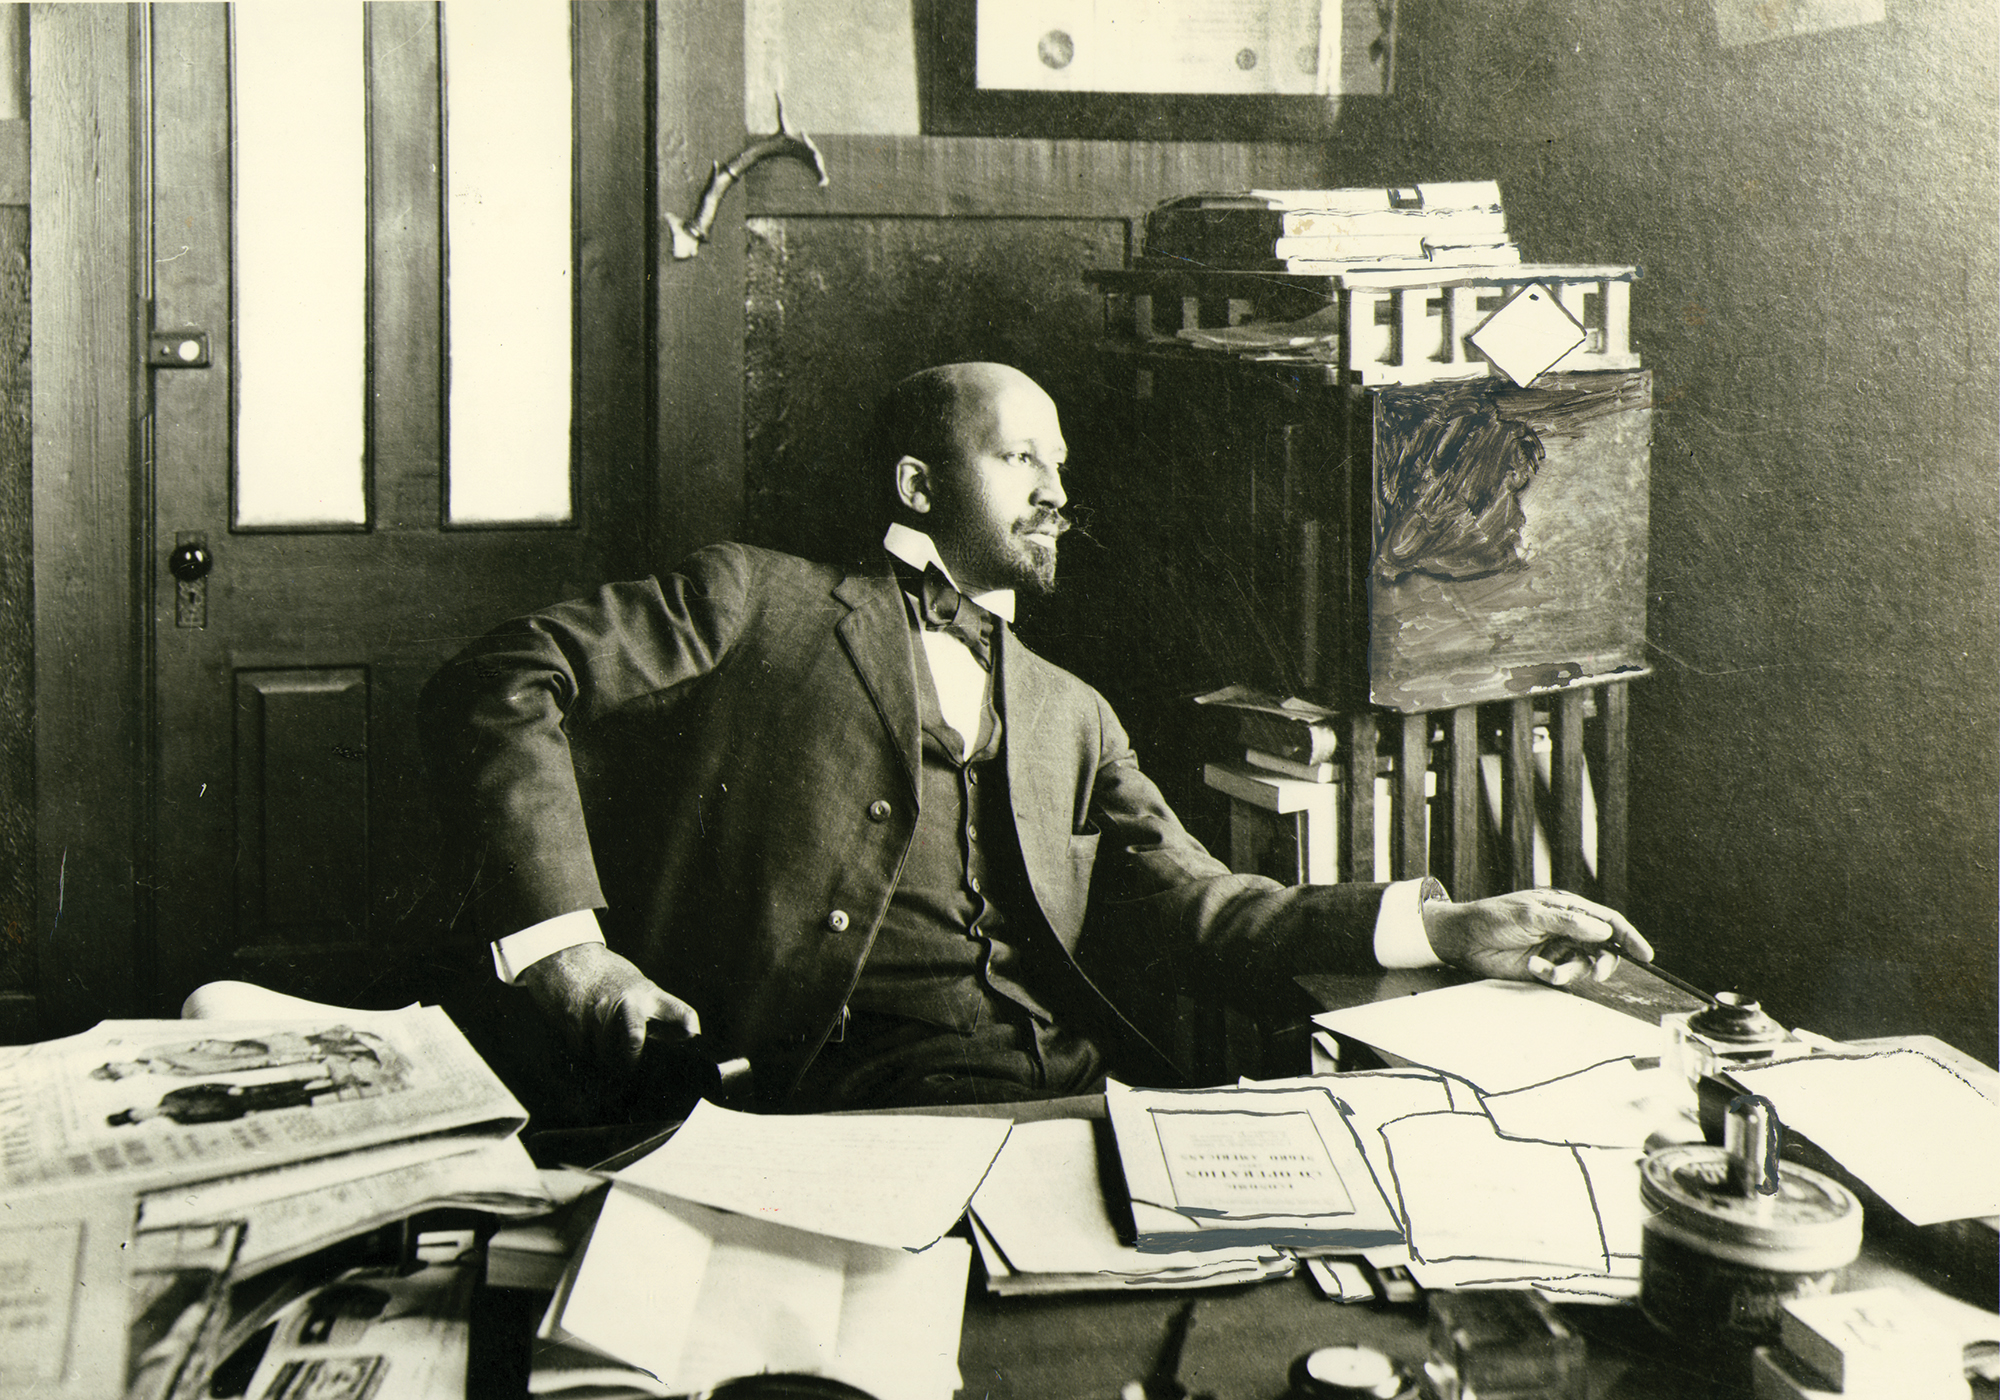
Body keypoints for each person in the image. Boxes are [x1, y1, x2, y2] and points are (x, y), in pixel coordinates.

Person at [420, 362, 1651, 1115]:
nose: (1057, 490)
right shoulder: (756, 598)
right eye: (1019, 459)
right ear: (916, 486)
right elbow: (503, 675)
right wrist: (564, 954)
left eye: (1059, 465)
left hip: (1071, 1103)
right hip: (813, 1108)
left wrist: (1439, 927)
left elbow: (1206, 910)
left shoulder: (1071, 706)